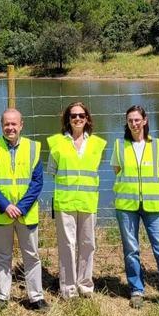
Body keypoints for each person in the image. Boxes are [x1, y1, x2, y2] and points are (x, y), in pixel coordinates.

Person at [111, 105, 159, 311]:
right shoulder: (119, 145)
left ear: (145, 120)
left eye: (137, 120)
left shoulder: (157, 145)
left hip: (154, 206)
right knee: (131, 250)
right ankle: (137, 290)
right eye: (130, 120)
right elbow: (117, 171)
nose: (134, 124)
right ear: (127, 123)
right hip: (126, 206)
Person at [0, 108, 49, 312]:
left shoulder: (34, 148)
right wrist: (6, 206)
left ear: (21, 125)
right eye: (6, 124)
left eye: (14, 124)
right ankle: (3, 295)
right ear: (1, 125)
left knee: (32, 256)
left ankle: (36, 297)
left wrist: (20, 207)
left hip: (26, 213)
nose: (10, 128)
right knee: (3, 256)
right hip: (0, 212)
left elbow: (37, 182)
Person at [47, 101, 107, 299]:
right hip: (65, 203)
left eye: (81, 115)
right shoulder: (56, 143)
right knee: (67, 246)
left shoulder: (98, 144)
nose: (78, 119)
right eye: (73, 116)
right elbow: (52, 173)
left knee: (88, 244)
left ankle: (85, 285)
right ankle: (68, 288)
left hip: (88, 202)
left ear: (87, 118)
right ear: (68, 119)